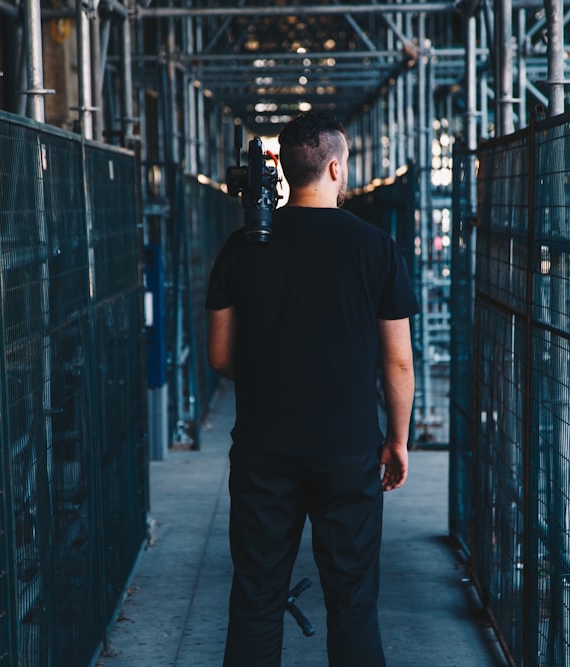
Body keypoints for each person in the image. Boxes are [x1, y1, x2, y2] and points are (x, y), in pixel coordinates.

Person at [205, 110, 418, 667]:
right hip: (349, 451)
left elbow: (221, 357)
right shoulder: (376, 248)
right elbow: (398, 363)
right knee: (352, 602)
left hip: (263, 448)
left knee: (256, 598)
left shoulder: (241, 246)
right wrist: (397, 440)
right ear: (332, 168)